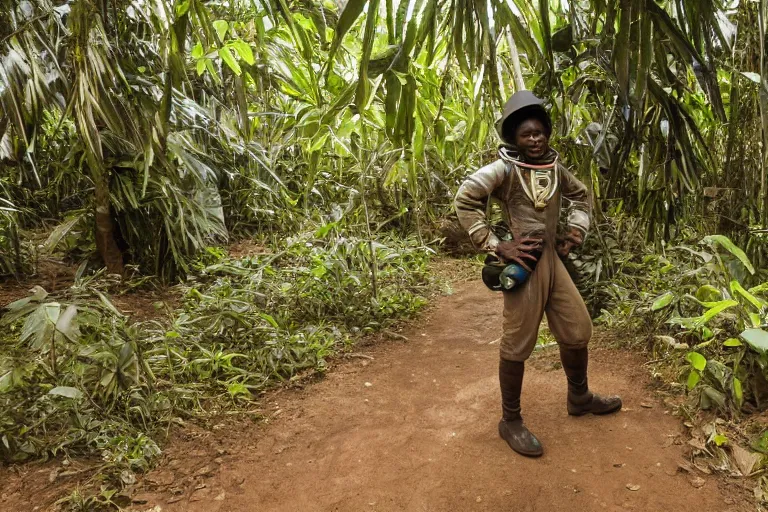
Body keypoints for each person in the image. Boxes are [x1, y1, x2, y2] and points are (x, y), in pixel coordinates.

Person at [454, 91, 622, 458]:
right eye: (526, 134)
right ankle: (510, 421)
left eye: (539, 132)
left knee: (578, 330)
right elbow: (466, 198)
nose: (534, 139)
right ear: (513, 137)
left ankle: (579, 397)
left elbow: (580, 197)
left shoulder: (555, 168)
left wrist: (575, 231)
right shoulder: (504, 169)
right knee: (517, 343)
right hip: (525, 265)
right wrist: (496, 244)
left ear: (547, 133)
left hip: (553, 261)